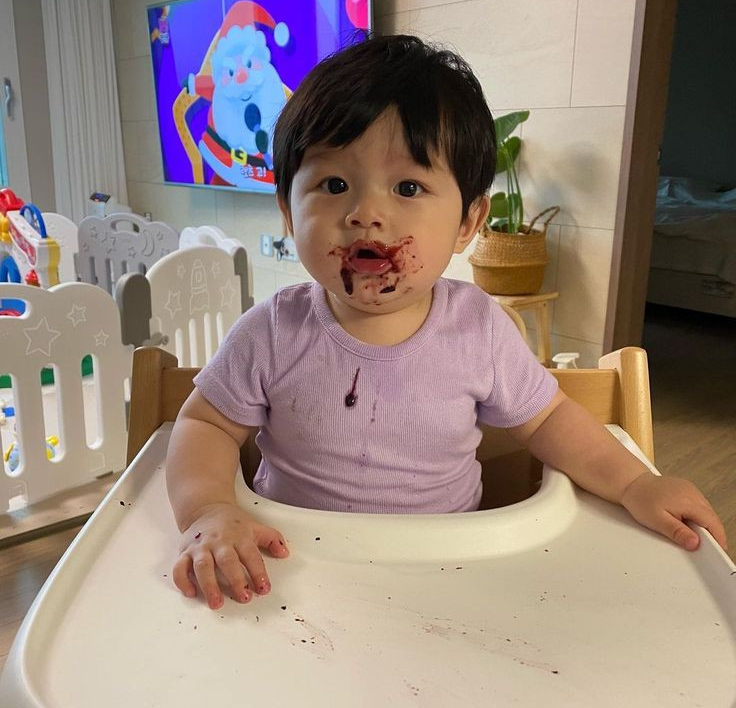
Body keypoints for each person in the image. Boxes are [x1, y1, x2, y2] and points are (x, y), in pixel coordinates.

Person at [165, 34, 727, 611]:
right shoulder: (271, 332)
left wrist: (635, 483)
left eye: (408, 187)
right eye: (334, 185)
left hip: (445, 575)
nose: (365, 213)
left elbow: (550, 420)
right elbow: (204, 424)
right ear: (288, 210)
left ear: (468, 223)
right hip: (294, 571)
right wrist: (209, 509)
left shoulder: (479, 329)